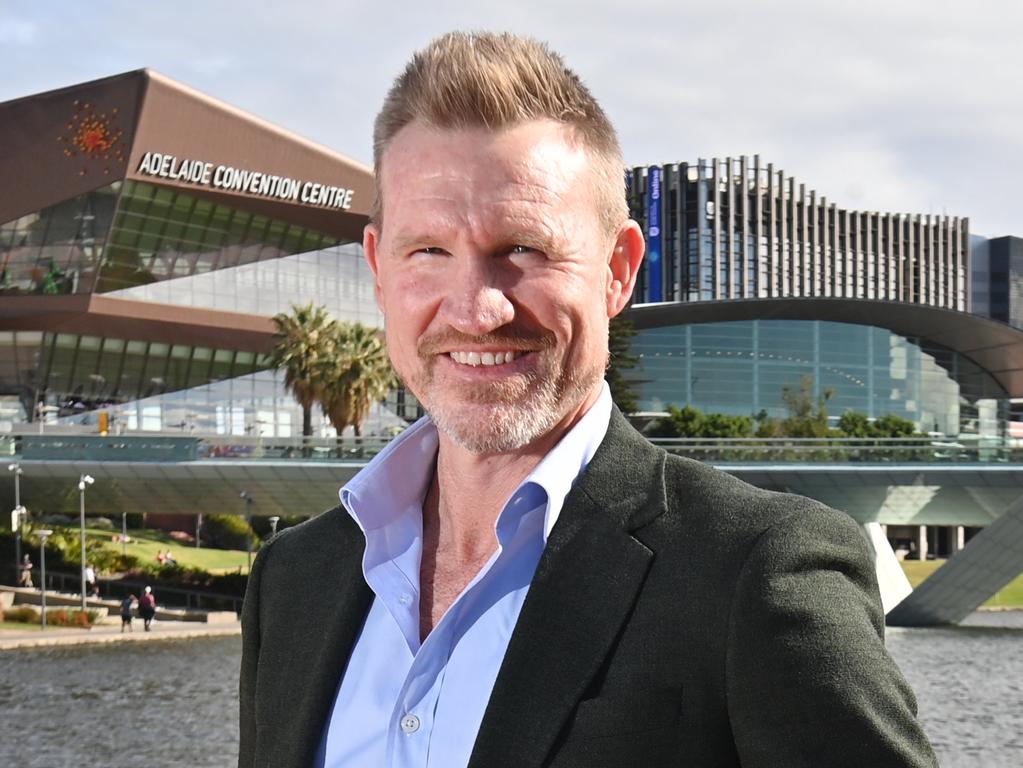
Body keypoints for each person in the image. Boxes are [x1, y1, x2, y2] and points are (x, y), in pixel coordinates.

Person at [239, 32, 937, 768]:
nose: (475, 311)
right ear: (380, 269)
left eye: (523, 249)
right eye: (429, 252)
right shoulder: (294, 580)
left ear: (617, 269)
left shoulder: (754, 572)